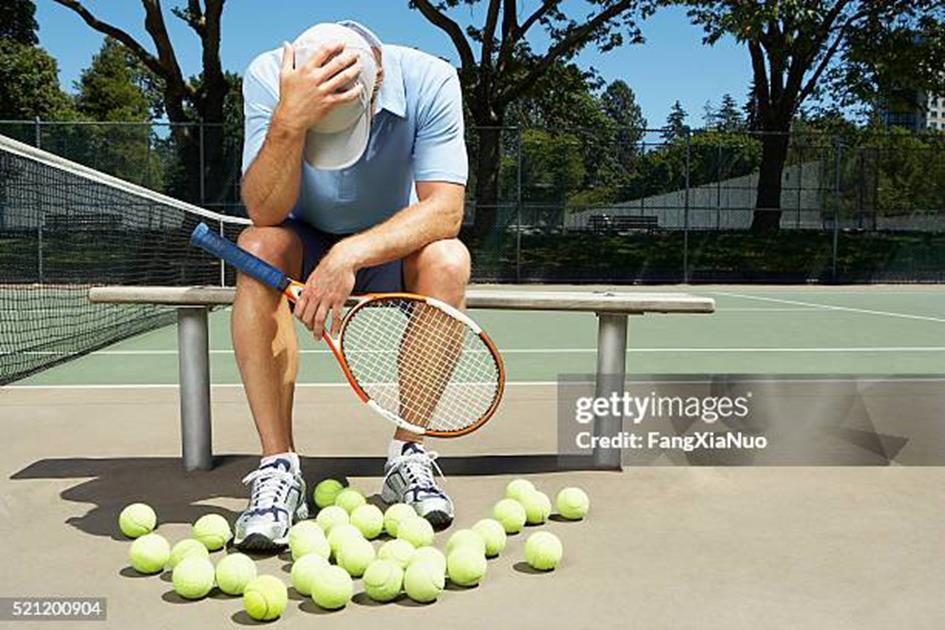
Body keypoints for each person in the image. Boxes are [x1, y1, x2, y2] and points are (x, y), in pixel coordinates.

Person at [232, 20, 469, 551]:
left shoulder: (431, 78)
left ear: (378, 79)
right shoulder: (268, 75)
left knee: (449, 259)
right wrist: (290, 121)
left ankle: (409, 455)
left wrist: (350, 254)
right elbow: (264, 210)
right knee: (257, 247)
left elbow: (446, 210)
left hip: (387, 244)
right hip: (300, 242)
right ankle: (279, 467)